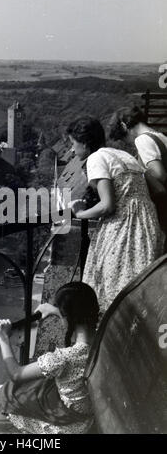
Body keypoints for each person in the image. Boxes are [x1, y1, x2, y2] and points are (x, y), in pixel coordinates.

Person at [67, 116, 164, 314]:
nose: (71, 150)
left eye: (73, 144)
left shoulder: (95, 158)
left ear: (84, 143)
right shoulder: (123, 155)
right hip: (147, 222)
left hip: (123, 225)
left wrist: (80, 213)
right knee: (138, 283)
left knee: (112, 284)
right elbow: (156, 189)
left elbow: (107, 205)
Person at [0, 282, 99, 434]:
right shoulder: (103, 337)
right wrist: (56, 311)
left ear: (67, 317)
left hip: (66, 427)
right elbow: (77, 316)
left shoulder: (64, 358)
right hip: (86, 418)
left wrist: (3, 338)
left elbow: (16, 374)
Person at [108, 105, 167, 233]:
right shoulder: (160, 136)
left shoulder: (142, 139)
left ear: (124, 126)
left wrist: (139, 172)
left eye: (124, 139)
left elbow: (159, 174)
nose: (129, 143)